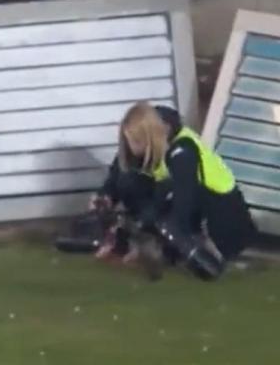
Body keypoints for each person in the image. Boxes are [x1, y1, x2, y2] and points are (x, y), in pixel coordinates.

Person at [92, 102, 256, 281]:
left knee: (167, 217)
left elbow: (184, 203)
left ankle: (174, 250)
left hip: (221, 213)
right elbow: (120, 168)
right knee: (131, 182)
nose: (132, 146)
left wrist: (145, 223)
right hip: (191, 202)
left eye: (135, 141)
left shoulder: (183, 150)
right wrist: (106, 195)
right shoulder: (151, 139)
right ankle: (141, 244)